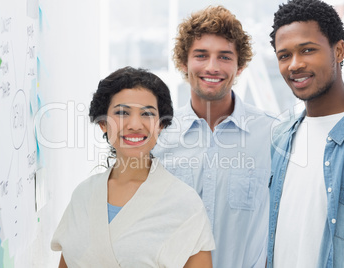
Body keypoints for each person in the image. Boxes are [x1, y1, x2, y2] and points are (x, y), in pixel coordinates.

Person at [51, 67, 215, 268]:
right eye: (121, 112)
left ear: (161, 125)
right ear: (103, 123)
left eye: (147, 114)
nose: (135, 124)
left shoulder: (185, 204)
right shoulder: (83, 195)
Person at [152, 6, 275, 268]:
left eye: (224, 57)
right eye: (201, 55)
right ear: (184, 63)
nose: (212, 67)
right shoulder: (158, 138)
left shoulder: (272, 135)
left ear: (239, 66)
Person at [267, 0, 344, 267]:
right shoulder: (280, 137)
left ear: (338, 51)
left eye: (307, 50)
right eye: (284, 55)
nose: (294, 65)